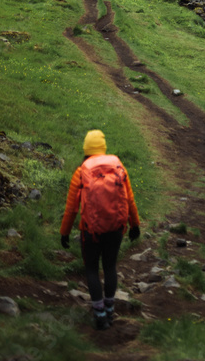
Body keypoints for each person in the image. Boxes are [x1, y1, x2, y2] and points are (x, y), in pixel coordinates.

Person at [60, 129, 140, 330]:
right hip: (116, 228)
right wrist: (135, 225)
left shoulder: (82, 171)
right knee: (110, 266)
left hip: (91, 230)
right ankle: (110, 309)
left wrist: (65, 232)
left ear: (86, 149)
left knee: (91, 269)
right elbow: (129, 199)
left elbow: (71, 208)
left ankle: (99, 314)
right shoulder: (118, 166)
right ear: (103, 148)